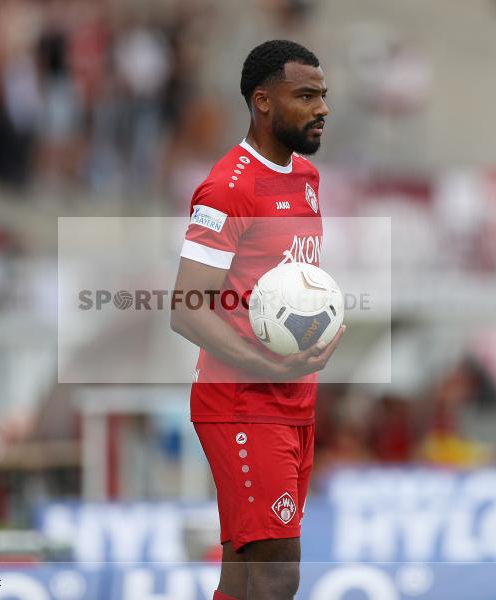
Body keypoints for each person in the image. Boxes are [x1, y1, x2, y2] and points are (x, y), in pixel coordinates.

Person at [170, 40, 344, 600]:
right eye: (306, 96)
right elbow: (186, 306)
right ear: (263, 102)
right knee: (276, 574)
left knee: (244, 577)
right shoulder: (228, 188)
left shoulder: (305, 180)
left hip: (292, 400)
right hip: (242, 401)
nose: (322, 108)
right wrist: (270, 364)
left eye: (323, 96)